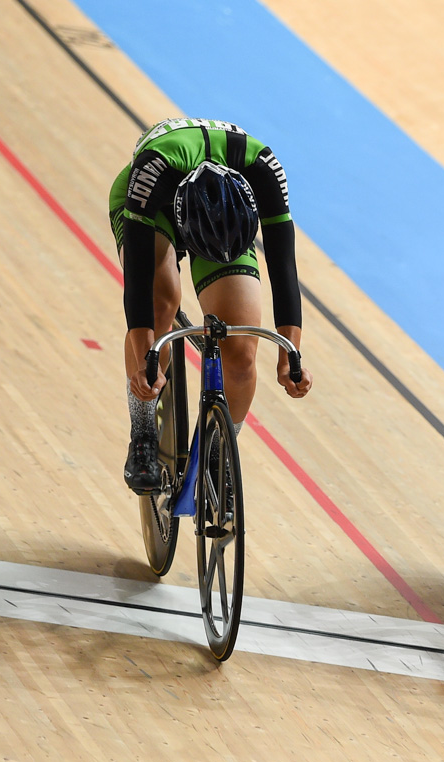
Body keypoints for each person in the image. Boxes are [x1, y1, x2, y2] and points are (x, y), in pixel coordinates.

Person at [108, 117, 313, 493]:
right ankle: (143, 436)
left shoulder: (264, 173)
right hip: (154, 207)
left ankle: (216, 456)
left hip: (224, 218)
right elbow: (136, 286)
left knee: (242, 354)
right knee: (161, 299)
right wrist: (145, 362)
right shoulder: (153, 171)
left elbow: (284, 269)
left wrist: (290, 355)